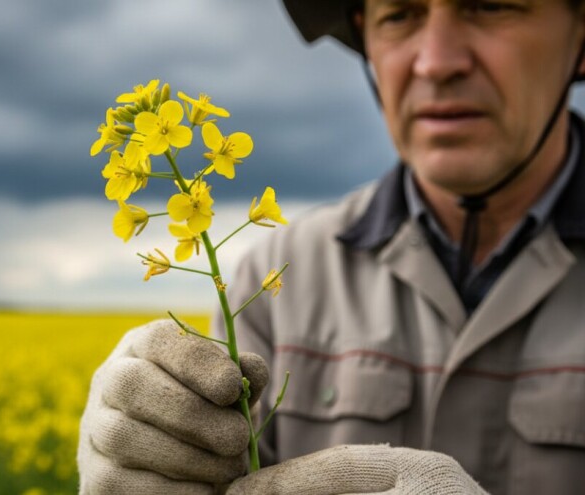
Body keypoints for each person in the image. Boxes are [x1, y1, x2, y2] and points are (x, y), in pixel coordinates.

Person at [78, 0, 585, 493]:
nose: (436, 63)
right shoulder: (275, 274)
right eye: (399, 14)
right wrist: (142, 457)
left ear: (580, 35)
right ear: (366, 36)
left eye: (489, 6)